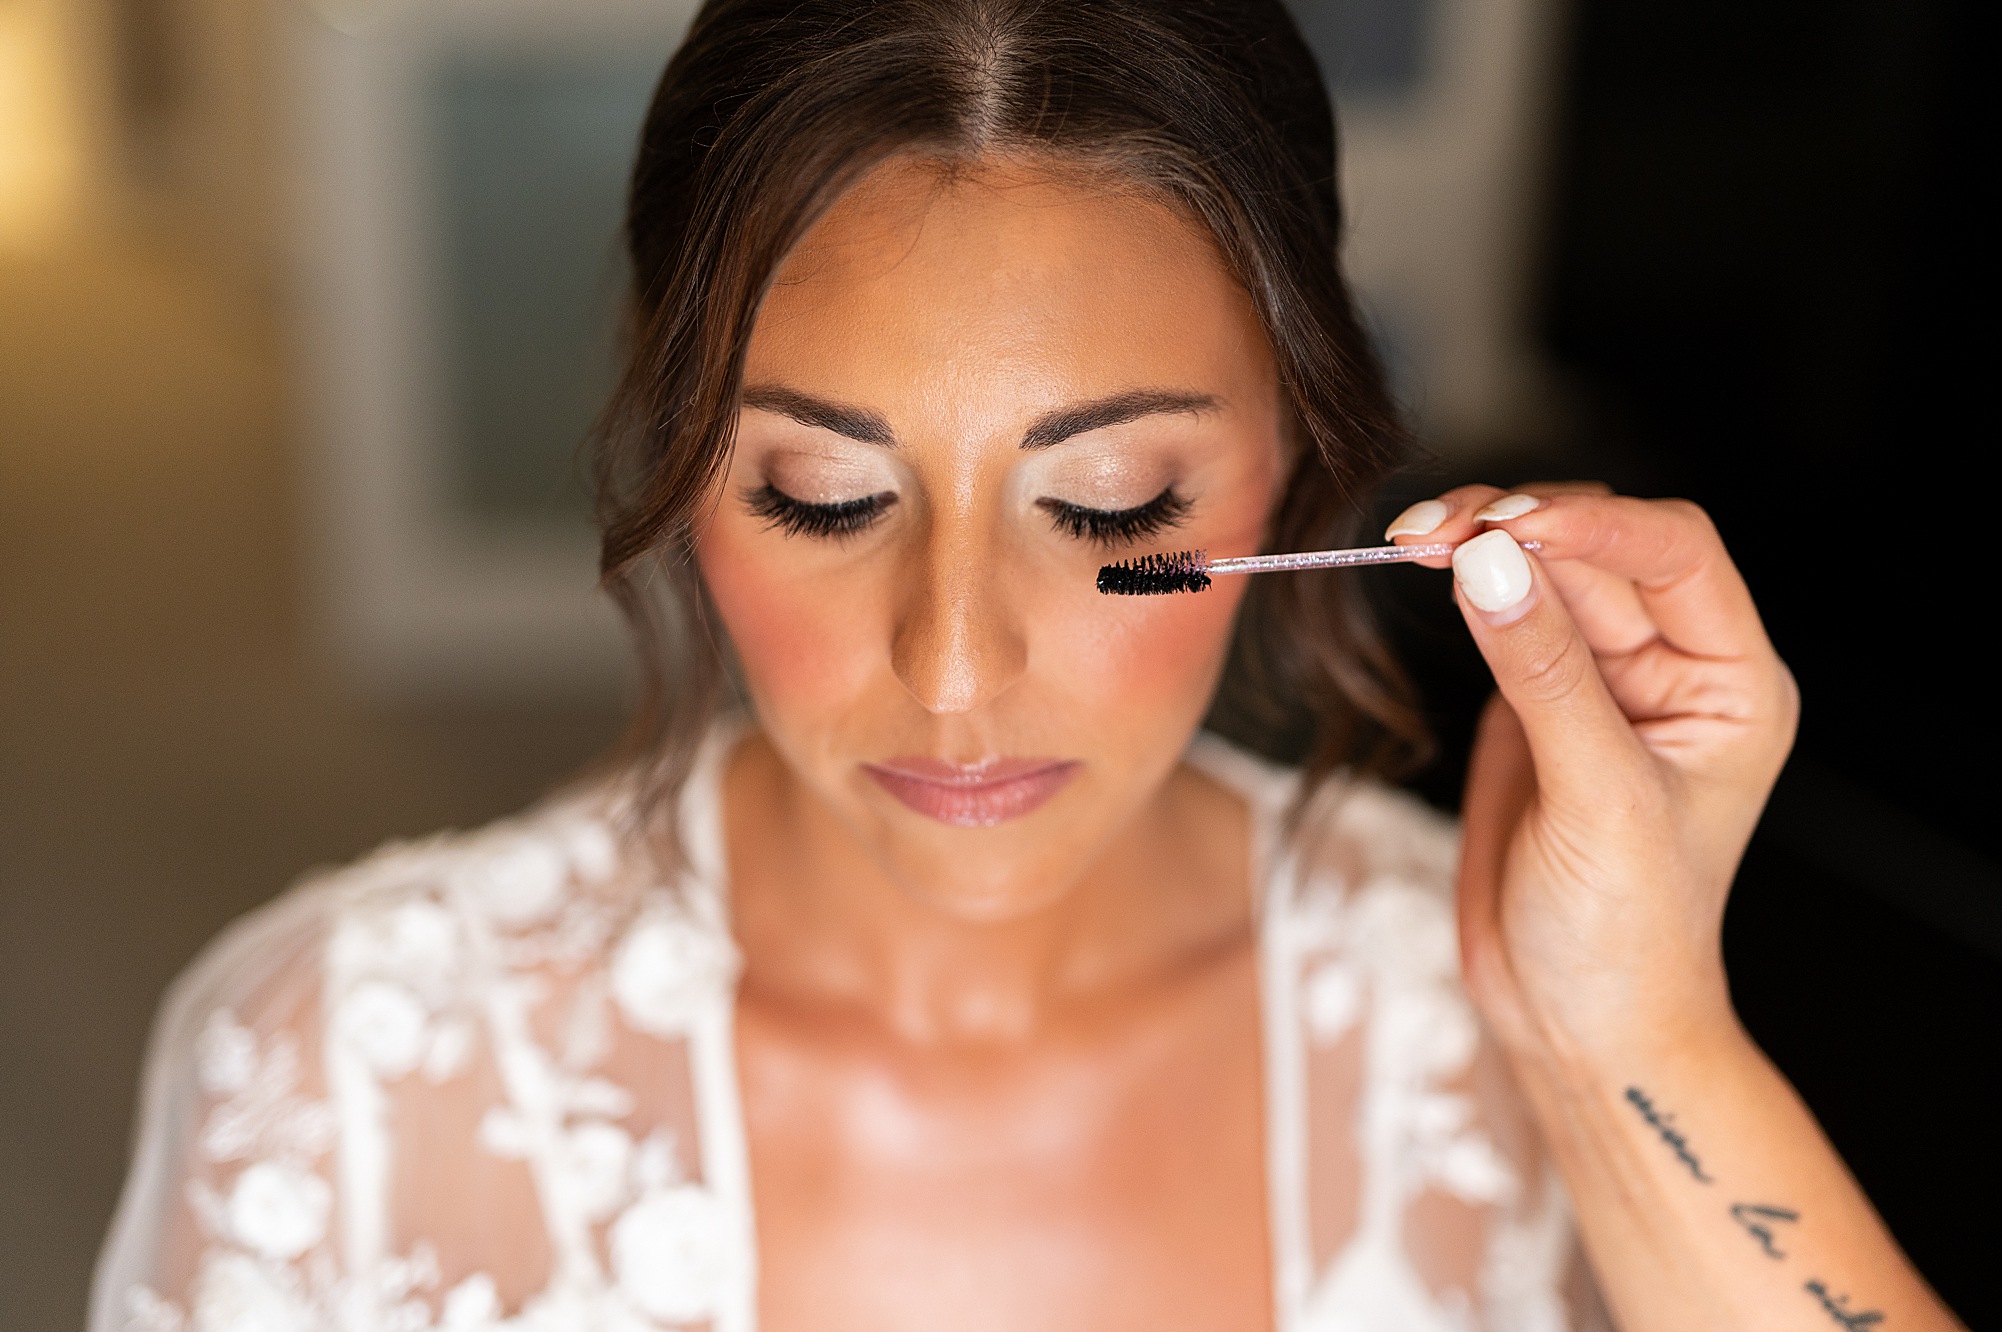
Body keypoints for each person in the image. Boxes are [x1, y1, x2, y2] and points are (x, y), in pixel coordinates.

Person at [91, 1, 1962, 1328]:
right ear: (673, 453)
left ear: (1296, 455)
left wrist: (1629, 1046)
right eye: (824, 497)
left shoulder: (1485, 1030)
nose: (954, 669)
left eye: (1112, 503)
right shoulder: (337, 1079)